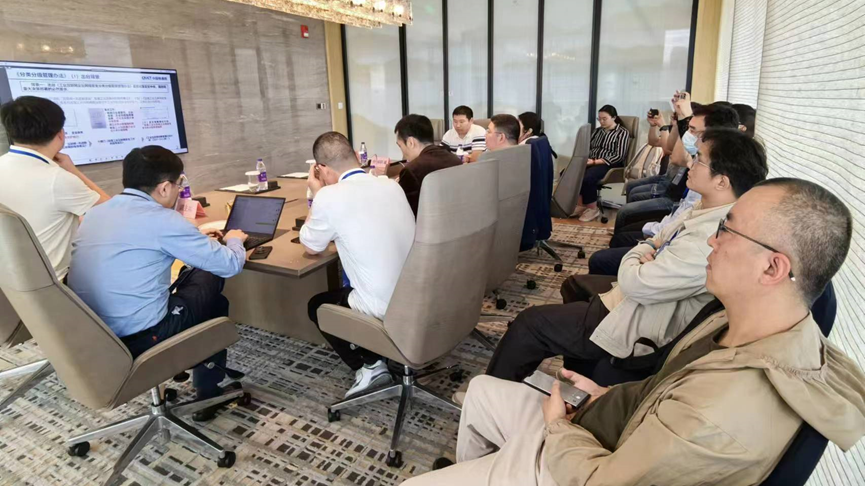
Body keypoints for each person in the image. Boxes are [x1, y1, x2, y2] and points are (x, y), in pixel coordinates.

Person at [407, 178, 865, 486]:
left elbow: (602, 481)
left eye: (727, 230)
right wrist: (605, 394)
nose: (712, 239)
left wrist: (558, 428)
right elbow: (664, 388)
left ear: (772, 267)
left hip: (582, 464)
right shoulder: (736, 322)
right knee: (482, 389)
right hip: (606, 426)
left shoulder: (720, 412)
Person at [488, 128, 769, 382]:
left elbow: (638, 282)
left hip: (641, 320)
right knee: (574, 286)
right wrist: (648, 251)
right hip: (639, 302)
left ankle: (491, 398)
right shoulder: (707, 209)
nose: (690, 163)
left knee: (529, 324)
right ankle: (580, 370)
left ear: (722, 181)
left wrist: (641, 254)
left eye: (699, 159)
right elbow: (657, 239)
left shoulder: (710, 238)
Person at [68, 146, 248, 421]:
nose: (178, 190)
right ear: (164, 187)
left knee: (197, 278)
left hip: (94, 334)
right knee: (212, 284)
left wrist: (196, 241)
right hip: (140, 337)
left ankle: (195, 370)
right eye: (178, 184)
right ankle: (207, 391)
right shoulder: (162, 220)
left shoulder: (96, 213)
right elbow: (231, 264)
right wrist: (234, 240)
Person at [303, 132, 415, 399]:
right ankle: (382, 351)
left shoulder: (329, 197)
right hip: (417, 294)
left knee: (317, 305)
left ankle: (371, 365)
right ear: (355, 155)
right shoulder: (390, 185)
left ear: (321, 169)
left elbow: (311, 246)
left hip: (384, 305)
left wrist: (317, 193)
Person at [0, 96, 109, 280]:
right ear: (60, 134)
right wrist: (73, 171)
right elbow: (115, 211)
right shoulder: (58, 179)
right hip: (54, 284)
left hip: (9, 281)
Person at [612, 101, 740, 235]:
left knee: (625, 215)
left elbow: (676, 158)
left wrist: (683, 123)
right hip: (672, 192)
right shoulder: (694, 142)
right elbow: (660, 144)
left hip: (674, 198)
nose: (689, 133)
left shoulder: (710, 155)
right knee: (631, 191)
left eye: (692, 129)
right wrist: (673, 124)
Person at [373, 114, 460, 217]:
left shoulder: (412, 170)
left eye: (400, 146)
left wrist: (383, 180)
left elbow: (402, 211)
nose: (402, 152)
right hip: (456, 221)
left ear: (411, 142)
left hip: (423, 225)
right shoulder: (455, 160)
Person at [575, 105, 630, 222]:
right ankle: (581, 206)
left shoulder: (622, 132)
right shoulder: (597, 131)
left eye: (604, 119)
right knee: (569, 173)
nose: (601, 121)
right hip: (592, 161)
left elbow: (619, 156)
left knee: (588, 177)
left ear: (614, 117)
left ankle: (592, 209)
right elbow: (589, 148)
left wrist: (595, 162)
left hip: (610, 164)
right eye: (599, 119)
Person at [516, 112, 555, 251]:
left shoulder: (525, 147)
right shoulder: (540, 141)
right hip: (542, 204)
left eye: (518, 125)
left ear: (528, 131)